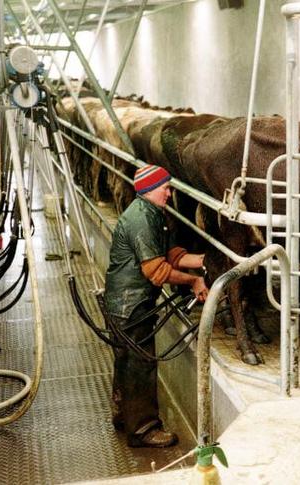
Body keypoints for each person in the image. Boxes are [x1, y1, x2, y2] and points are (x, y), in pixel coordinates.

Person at [104, 163, 208, 448]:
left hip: (125, 302)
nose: (170, 193)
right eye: (166, 188)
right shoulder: (141, 219)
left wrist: (202, 261)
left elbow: (170, 254)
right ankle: (143, 429)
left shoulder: (153, 213)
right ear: (150, 190)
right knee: (140, 364)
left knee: (126, 360)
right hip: (131, 304)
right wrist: (193, 282)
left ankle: (124, 414)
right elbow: (156, 270)